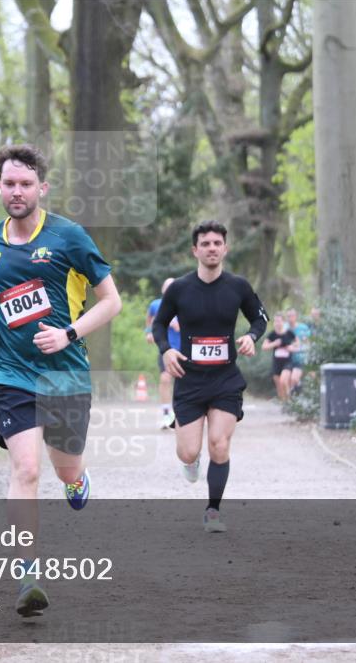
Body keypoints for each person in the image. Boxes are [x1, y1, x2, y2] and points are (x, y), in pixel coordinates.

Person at [0, 144, 122, 617]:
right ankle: (27, 575)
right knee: (26, 470)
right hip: (11, 373)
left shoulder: (68, 237)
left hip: (66, 374)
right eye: (9, 184)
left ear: (42, 188)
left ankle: (77, 481)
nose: (17, 192)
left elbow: (111, 301)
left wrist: (68, 333)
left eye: (26, 184)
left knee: (64, 469)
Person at [151, 221, 268, 533]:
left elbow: (260, 317)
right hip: (189, 380)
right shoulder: (179, 289)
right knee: (188, 451)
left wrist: (252, 337)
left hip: (225, 379)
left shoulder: (238, 286)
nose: (212, 248)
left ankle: (213, 511)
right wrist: (166, 350)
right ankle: (191, 460)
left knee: (219, 443)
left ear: (225, 249)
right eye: (205, 244)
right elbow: (159, 324)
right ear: (195, 250)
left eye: (217, 243)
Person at [146, 278, 180, 429]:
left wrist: (179, 325)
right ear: (162, 290)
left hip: (185, 348)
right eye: (167, 287)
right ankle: (166, 414)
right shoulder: (155, 305)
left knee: (185, 382)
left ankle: (186, 414)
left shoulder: (185, 304)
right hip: (166, 349)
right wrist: (149, 332)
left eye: (173, 287)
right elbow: (150, 319)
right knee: (165, 379)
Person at [262, 314, 297, 402]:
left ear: (283, 322)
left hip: (287, 362)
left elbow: (297, 343)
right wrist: (274, 343)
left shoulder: (289, 333)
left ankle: (289, 401)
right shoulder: (272, 334)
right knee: (279, 385)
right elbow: (264, 347)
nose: (277, 323)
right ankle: (283, 402)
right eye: (275, 321)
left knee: (283, 381)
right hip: (277, 362)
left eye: (279, 321)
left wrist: (292, 347)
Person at [286, 307, 310, 393]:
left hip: (300, 358)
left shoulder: (303, 328)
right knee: (287, 381)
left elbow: (308, 343)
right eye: (288, 316)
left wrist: (298, 348)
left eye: (292, 315)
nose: (290, 318)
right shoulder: (284, 328)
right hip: (286, 360)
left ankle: (299, 390)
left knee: (294, 379)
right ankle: (293, 397)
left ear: (296, 316)